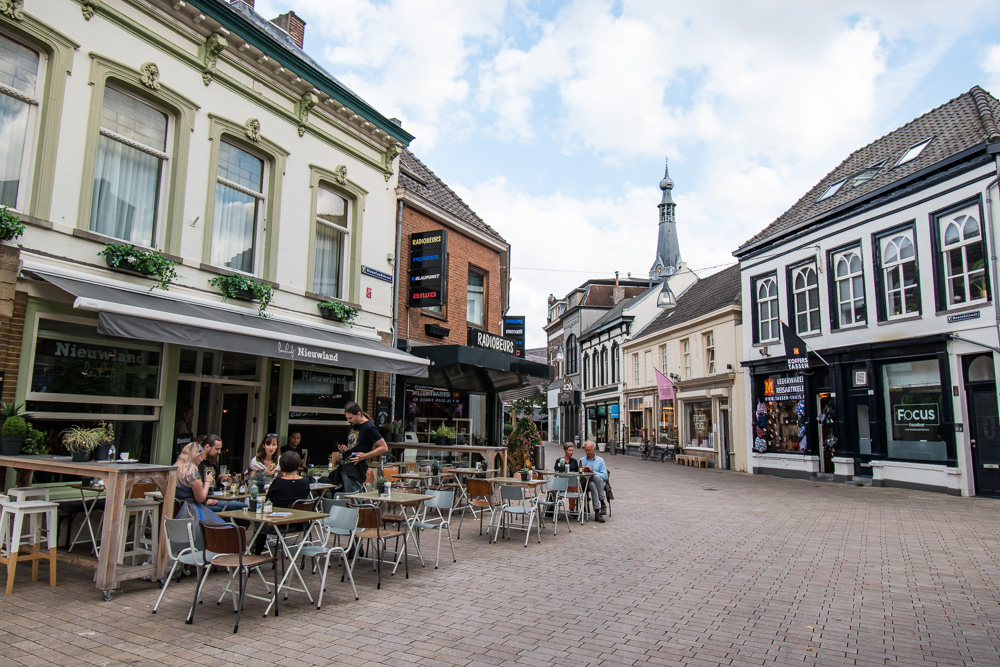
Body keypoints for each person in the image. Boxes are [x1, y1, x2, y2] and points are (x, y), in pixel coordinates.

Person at [251, 451, 311, 555]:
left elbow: (268, 501)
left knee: (259, 522)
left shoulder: (278, 482)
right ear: (298, 465)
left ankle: (257, 553)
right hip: (300, 522)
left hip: (277, 523)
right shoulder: (305, 482)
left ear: (281, 465)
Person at [173, 441, 225, 546]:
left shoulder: (176, 470)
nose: (201, 460)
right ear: (194, 456)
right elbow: (200, 498)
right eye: (200, 456)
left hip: (177, 509)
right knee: (222, 525)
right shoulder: (192, 474)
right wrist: (207, 482)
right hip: (191, 511)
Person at [338, 402, 387, 494]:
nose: (348, 421)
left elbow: (384, 447)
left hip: (355, 470)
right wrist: (345, 450)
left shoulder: (369, 427)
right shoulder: (354, 426)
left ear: (359, 414)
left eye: (350, 418)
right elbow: (354, 445)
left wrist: (365, 456)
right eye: (347, 418)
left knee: (353, 500)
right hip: (347, 466)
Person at [198, 434, 247, 512]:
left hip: (216, 496)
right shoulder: (199, 463)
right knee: (221, 511)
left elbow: (214, 481)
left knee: (244, 507)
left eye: (220, 449)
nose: (219, 452)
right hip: (204, 499)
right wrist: (205, 501)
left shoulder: (213, 461)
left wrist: (221, 479)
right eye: (217, 449)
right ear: (207, 447)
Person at [579, 440, 608, 523]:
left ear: (594, 449)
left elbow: (605, 476)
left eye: (589, 450)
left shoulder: (600, 460)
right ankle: (602, 503)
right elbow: (579, 474)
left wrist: (593, 472)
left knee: (595, 479)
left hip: (599, 483)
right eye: (586, 450)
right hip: (586, 483)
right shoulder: (582, 460)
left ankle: (597, 511)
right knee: (591, 482)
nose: (587, 452)